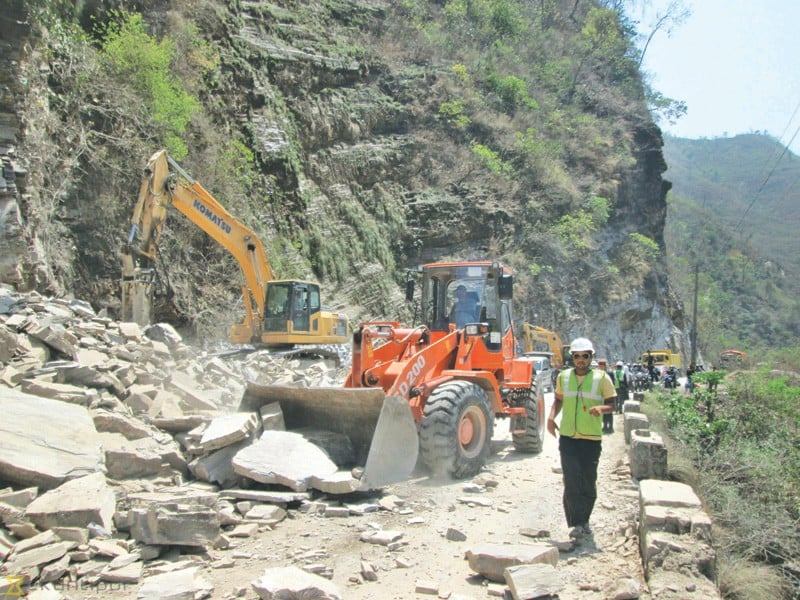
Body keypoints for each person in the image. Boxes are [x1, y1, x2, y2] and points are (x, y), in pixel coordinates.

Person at [547, 337, 617, 539]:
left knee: (588, 481)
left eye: (585, 356)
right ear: (572, 357)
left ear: (590, 357)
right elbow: (558, 400)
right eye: (577, 356)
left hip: (591, 439)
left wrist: (601, 408)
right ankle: (576, 523)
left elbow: (613, 404)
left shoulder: (602, 378)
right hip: (568, 437)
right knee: (571, 481)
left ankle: (584, 519)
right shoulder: (564, 377)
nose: (580, 360)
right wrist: (551, 418)